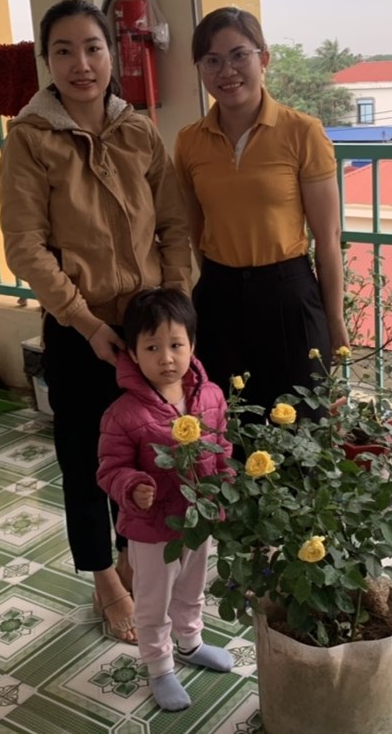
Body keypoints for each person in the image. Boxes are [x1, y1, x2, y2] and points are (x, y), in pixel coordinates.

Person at [0, 0, 191, 644]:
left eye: (93, 48)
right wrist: (85, 323)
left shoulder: (138, 131)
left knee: (147, 454)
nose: (81, 64)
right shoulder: (30, 139)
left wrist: (173, 308)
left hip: (147, 330)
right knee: (86, 460)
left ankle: (135, 557)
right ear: (46, 60)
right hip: (79, 330)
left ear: (112, 54)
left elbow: (174, 223)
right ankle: (105, 579)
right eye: (63, 50)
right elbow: (26, 246)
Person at [174, 6, 349, 421]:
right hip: (219, 300)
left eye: (239, 55)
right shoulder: (189, 142)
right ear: (200, 68)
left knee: (301, 426)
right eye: (211, 60)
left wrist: (335, 321)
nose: (227, 71)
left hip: (288, 296)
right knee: (230, 425)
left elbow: (327, 238)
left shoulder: (302, 132)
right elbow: (196, 230)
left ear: (263, 59)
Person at [97, 288, 234, 712]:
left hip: (198, 519)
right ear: (133, 353)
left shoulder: (211, 396)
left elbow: (221, 448)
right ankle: (159, 667)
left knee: (192, 586)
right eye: (152, 347)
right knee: (153, 601)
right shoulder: (123, 414)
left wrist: (227, 487)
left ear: (192, 344)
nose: (166, 358)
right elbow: (110, 469)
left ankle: (191, 643)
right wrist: (133, 486)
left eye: (176, 344)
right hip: (152, 527)